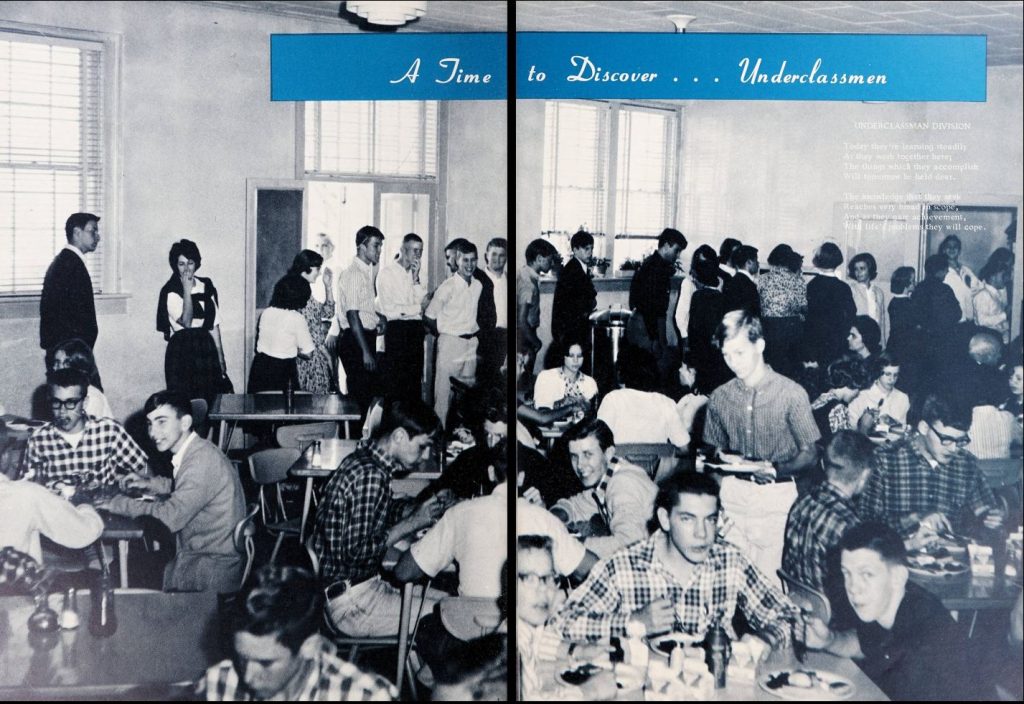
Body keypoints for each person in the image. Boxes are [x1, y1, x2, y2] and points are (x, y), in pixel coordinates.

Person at [555, 472, 802, 647]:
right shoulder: (624, 566)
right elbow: (562, 623)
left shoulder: (730, 561)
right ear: (664, 519)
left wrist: (764, 639)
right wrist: (632, 622)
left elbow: (790, 616)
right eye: (687, 519)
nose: (702, 533)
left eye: (710, 519)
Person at [312, 398, 449, 637]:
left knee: (450, 603)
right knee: (449, 617)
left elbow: (375, 511)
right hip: (352, 604)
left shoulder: (366, 462)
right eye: (422, 446)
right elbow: (354, 552)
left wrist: (413, 508)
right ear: (398, 436)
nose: (425, 456)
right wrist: (413, 522)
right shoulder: (370, 475)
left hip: (354, 591)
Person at [804, 522, 983, 701]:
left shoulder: (922, 636)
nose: (853, 588)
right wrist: (828, 640)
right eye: (847, 574)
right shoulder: (887, 603)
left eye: (866, 574)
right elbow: (864, 643)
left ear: (898, 577)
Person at [703, 310, 820, 584]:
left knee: (769, 586)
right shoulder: (719, 397)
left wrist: (775, 468)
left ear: (760, 345)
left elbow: (811, 454)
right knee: (728, 583)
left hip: (776, 499)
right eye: (726, 355)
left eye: (740, 353)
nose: (732, 363)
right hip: (732, 495)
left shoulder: (791, 394)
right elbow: (708, 455)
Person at [98, 391, 245, 593]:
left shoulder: (200, 462)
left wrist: (116, 503)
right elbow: (185, 487)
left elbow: (169, 518)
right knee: (128, 565)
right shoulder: (199, 450)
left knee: (114, 574)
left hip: (207, 572)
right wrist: (149, 483)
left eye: (161, 422)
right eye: (150, 423)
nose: (152, 432)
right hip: (205, 557)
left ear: (184, 423)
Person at [199, 565, 397, 701]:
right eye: (241, 658)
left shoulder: (363, 696)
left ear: (310, 647)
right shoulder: (218, 684)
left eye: (265, 663)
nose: (248, 677)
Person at [859, 393, 1004, 536]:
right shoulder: (885, 460)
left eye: (960, 441)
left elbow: (984, 513)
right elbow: (865, 525)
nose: (953, 449)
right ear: (924, 428)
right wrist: (915, 519)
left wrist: (989, 518)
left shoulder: (966, 464)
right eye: (946, 439)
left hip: (952, 555)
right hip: (897, 554)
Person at [516, 535, 616, 701]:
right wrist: (588, 692)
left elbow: (542, 641)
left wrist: (580, 651)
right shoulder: (509, 646)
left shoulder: (528, 626)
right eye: (530, 579)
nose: (543, 590)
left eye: (548, 578)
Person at [782, 430, 874, 606]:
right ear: (864, 476)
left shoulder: (802, 501)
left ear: (824, 465)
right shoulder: (848, 524)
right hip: (835, 619)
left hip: (802, 605)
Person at [549, 419, 658, 559]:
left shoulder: (622, 484)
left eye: (588, 454)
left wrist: (571, 544)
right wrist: (552, 518)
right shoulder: (608, 476)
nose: (580, 465)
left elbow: (630, 544)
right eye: (574, 456)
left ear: (608, 454)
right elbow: (577, 505)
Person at [23, 368, 148, 487]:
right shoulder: (38, 439)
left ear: (85, 403)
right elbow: (29, 488)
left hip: (101, 507)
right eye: (56, 402)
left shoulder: (109, 431)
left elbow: (144, 470)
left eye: (71, 403)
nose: (62, 411)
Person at [157, 239, 230, 404]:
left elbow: (214, 325)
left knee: (210, 400)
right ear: (175, 265)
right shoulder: (170, 291)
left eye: (190, 263)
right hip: (182, 350)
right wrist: (187, 291)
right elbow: (187, 323)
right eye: (181, 264)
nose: (186, 269)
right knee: (188, 402)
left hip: (206, 347)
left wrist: (220, 358)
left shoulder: (206, 285)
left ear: (196, 263)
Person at [425, 239, 483, 429]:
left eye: (473, 260)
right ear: (457, 261)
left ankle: (461, 440)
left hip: (471, 344)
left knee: (467, 397)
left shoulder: (477, 286)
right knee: (443, 396)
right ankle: (437, 440)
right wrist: (445, 333)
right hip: (450, 343)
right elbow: (429, 316)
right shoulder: (447, 287)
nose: (470, 265)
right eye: (465, 260)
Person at [597, 346, 692, 450]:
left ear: (621, 372)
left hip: (620, 464)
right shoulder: (666, 403)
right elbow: (684, 447)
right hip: (656, 465)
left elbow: (598, 442)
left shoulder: (612, 399)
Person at [334, 226, 385, 415]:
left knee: (366, 398)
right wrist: (365, 352)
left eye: (380, 246)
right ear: (362, 247)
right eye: (376, 246)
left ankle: (355, 441)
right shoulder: (354, 274)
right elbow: (352, 315)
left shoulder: (365, 272)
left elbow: (362, 309)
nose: (379, 251)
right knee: (359, 401)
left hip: (362, 338)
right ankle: (351, 443)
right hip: (356, 342)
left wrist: (379, 317)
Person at [0, 472, 104, 565]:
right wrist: (84, 503)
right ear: (5, 456)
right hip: (17, 583)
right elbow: (84, 533)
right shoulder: (26, 493)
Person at [376, 233, 429, 403]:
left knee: (414, 386)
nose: (417, 255)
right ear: (402, 250)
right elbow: (390, 311)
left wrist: (415, 279)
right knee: (395, 387)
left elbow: (424, 305)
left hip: (416, 333)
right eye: (414, 250)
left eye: (420, 251)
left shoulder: (419, 274)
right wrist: (417, 309)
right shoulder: (387, 273)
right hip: (397, 333)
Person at [39, 213, 100, 355]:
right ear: (77, 233)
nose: (98, 237)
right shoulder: (71, 265)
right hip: (70, 353)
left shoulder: (65, 261)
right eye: (93, 231)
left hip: (66, 350)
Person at [628, 228, 687, 365]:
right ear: (666, 246)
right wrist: (655, 339)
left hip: (648, 322)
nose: (677, 255)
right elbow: (648, 305)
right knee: (651, 366)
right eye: (676, 250)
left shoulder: (655, 264)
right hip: (647, 324)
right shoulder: (654, 268)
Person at [248, 274, 314, 394]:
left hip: (260, 367)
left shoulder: (266, 312)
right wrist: (294, 348)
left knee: (258, 408)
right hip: (283, 370)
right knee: (284, 409)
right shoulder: (296, 318)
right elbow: (308, 354)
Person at [911, 253, 962, 390]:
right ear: (940, 271)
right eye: (945, 269)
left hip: (921, 341)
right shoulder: (945, 289)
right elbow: (957, 314)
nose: (946, 272)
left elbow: (914, 315)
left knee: (923, 380)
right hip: (943, 342)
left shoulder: (918, 289)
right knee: (940, 382)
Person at [288, 250, 335, 394]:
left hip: (314, 356)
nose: (320, 273)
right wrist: (324, 353)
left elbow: (328, 312)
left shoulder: (306, 290)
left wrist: (328, 286)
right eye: (318, 269)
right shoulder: (295, 291)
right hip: (306, 359)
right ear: (307, 267)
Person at [551, 230, 597, 372]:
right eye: (586, 249)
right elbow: (577, 303)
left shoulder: (578, 267)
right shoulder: (572, 270)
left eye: (591, 249)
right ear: (575, 250)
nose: (589, 252)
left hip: (574, 327)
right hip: (571, 329)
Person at [804, 242, 856, 367]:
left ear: (818, 260)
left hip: (815, 344)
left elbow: (806, 318)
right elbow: (851, 315)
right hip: (837, 344)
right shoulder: (843, 287)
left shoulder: (811, 286)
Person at [758, 244, 807, 378]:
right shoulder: (799, 280)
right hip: (792, 328)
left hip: (769, 328)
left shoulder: (761, 279)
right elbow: (803, 307)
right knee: (790, 371)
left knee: (770, 369)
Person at [686, 255, 732, 394]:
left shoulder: (697, 296)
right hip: (717, 350)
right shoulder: (722, 298)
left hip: (701, 349)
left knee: (703, 386)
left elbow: (693, 326)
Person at [518, 239, 558, 379]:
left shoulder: (524, 273)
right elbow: (521, 320)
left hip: (523, 335)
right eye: (550, 260)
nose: (552, 263)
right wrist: (536, 342)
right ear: (540, 259)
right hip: (525, 336)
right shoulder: (528, 284)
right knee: (524, 379)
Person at [46, 338, 113, 419]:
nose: (54, 368)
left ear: (78, 367)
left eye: (59, 363)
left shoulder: (93, 398)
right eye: (55, 363)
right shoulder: (59, 392)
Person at [810, 356, 870, 444]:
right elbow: (845, 448)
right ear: (851, 384)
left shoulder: (822, 399)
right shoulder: (838, 409)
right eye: (858, 389)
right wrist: (864, 428)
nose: (858, 394)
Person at [847, 353, 911, 431]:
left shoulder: (903, 398)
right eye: (888, 374)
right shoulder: (862, 395)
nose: (892, 379)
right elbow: (851, 430)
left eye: (895, 375)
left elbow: (902, 431)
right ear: (878, 373)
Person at [674, 244, 718, 356]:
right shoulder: (688, 283)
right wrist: (685, 339)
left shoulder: (718, 282)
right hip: (693, 338)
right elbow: (680, 316)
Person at [533, 338, 598, 412]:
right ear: (563, 356)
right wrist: (560, 403)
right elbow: (540, 409)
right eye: (571, 356)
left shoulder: (590, 382)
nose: (575, 360)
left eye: (579, 356)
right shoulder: (546, 377)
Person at [478, 237, 508, 384]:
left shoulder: (509, 280)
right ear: (486, 256)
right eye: (494, 254)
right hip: (485, 339)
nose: (497, 259)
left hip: (505, 337)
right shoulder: (478, 279)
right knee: (485, 383)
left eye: (502, 255)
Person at [848, 252, 888, 347]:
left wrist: (883, 344)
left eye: (862, 268)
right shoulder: (851, 290)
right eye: (856, 269)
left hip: (875, 340)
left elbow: (882, 322)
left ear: (870, 269)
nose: (858, 272)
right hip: (859, 340)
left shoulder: (878, 292)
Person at [939, 234, 981, 323]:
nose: (952, 249)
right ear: (943, 250)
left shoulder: (966, 270)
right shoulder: (940, 272)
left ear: (959, 251)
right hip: (951, 321)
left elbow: (978, 289)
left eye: (955, 247)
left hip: (969, 320)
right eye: (948, 247)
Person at [973, 257, 1011, 343]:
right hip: (989, 339)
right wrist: (1005, 315)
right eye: (1003, 276)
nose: (1006, 279)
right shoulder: (983, 295)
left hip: (1000, 336)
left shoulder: (996, 293)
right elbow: (982, 321)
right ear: (993, 277)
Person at [886, 266, 916, 365]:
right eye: (913, 280)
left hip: (894, 343)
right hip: (905, 347)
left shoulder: (894, 301)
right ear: (906, 283)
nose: (915, 283)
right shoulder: (907, 303)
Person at [722, 244, 760, 316]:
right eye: (756, 260)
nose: (757, 263)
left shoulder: (731, 281)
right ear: (748, 262)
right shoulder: (749, 285)